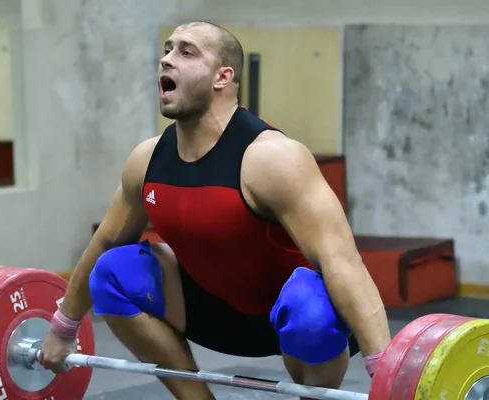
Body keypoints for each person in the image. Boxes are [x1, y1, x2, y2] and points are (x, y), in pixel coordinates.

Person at [38, 21, 391, 400]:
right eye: (167, 49)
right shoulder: (147, 160)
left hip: (298, 322)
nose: (166, 60)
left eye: (186, 53)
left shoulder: (272, 158)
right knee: (113, 271)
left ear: (223, 77)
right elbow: (106, 241)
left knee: (309, 305)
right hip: (210, 312)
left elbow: (341, 261)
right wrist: (62, 329)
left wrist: (385, 369)